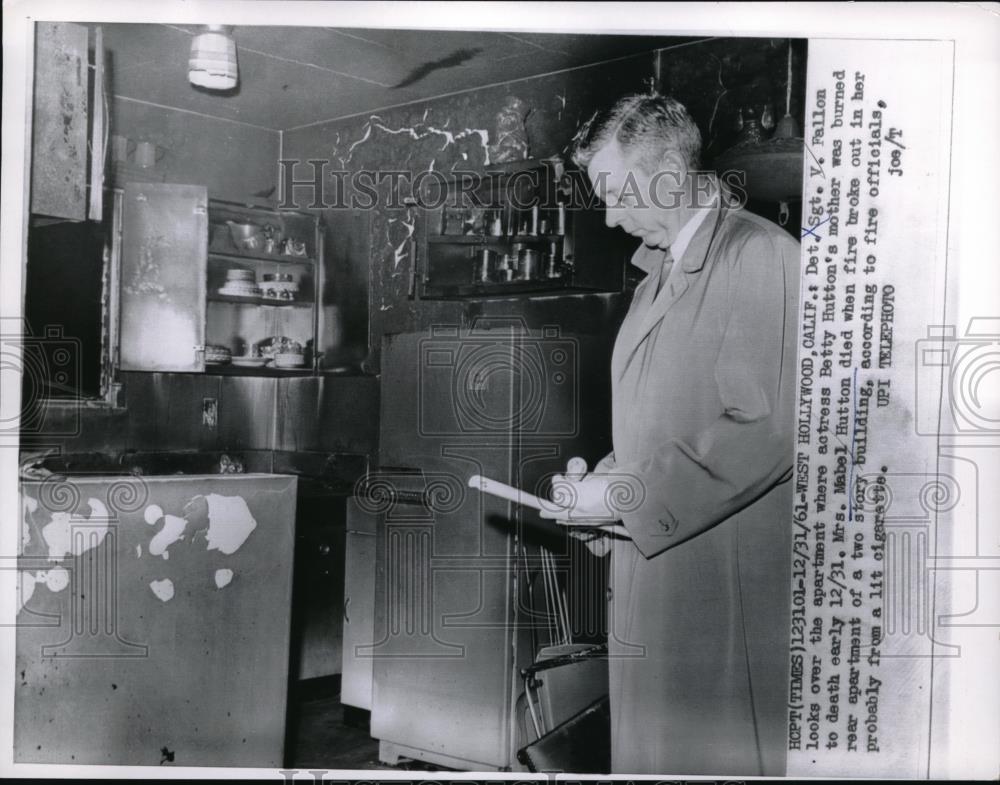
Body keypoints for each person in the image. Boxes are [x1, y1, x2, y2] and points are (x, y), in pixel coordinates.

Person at [540, 93, 799, 776]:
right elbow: (669, 423)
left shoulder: (759, 255)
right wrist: (598, 486)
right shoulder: (654, 277)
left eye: (616, 192)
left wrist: (623, 493)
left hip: (720, 594)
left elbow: (767, 429)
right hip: (657, 582)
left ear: (667, 174)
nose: (612, 216)